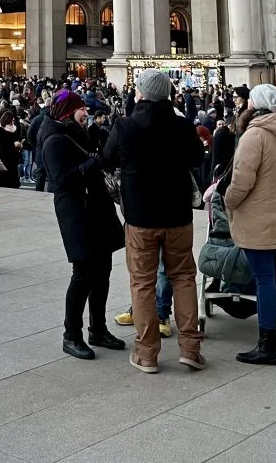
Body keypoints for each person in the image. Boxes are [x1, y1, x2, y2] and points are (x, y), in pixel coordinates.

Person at [103, 68, 205, 374]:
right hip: (177, 215)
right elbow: (198, 159)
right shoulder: (182, 126)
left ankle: (147, 353)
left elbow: (106, 159)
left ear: (141, 94)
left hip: (140, 217)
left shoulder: (125, 126)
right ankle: (190, 348)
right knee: (184, 277)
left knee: (143, 282)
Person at [40, 90, 125, 360]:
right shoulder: (53, 140)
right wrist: (90, 164)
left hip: (97, 208)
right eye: (80, 109)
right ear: (67, 111)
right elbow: (60, 179)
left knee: (103, 271)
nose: (85, 112)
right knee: (83, 274)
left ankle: (97, 328)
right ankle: (71, 335)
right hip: (77, 213)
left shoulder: (79, 132)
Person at [224, 84, 276, 366]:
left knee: (264, 278)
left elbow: (242, 180)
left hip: (257, 215)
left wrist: (229, 200)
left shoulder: (255, 135)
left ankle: (267, 343)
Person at [0, 108, 22, 189]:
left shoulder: (13, 130)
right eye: (11, 121)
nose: (13, 123)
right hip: (5, 163)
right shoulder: (0, 133)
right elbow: (3, 150)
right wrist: (15, 147)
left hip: (13, 162)